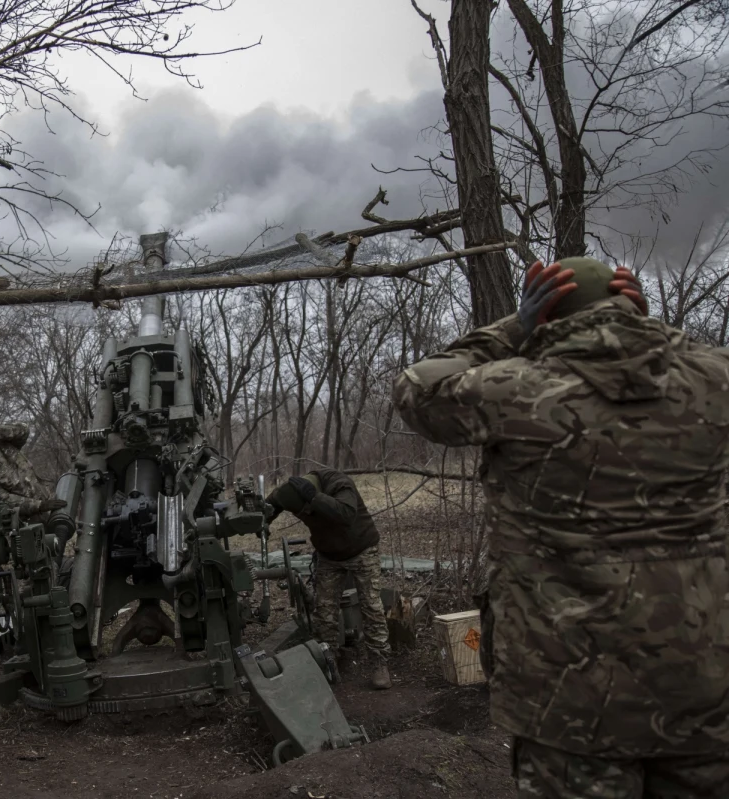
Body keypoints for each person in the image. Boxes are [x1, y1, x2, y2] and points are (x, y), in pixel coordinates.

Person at [393, 258, 729, 798]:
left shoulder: (515, 391)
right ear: (629, 306)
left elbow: (418, 389)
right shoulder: (713, 380)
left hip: (569, 698)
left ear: (546, 316)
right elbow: (699, 359)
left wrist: (515, 326)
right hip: (703, 686)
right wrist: (642, 324)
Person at [266, 469, 392, 690]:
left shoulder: (339, 484)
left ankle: (379, 662)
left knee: (372, 608)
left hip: (361, 549)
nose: (306, 514)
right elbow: (272, 503)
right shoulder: (290, 491)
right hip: (329, 555)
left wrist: (315, 498)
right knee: (324, 612)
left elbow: (346, 514)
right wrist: (264, 519)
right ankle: (328, 659)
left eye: (307, 510)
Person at [0, 422, 65, 521]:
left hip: (48, 499)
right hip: (27, 519)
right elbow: (3, 499)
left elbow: (24, 430)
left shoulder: (1, 441)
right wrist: (40, 505)